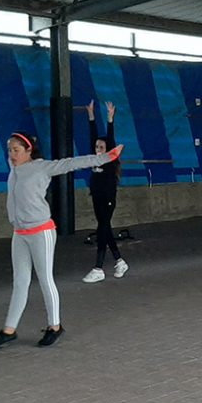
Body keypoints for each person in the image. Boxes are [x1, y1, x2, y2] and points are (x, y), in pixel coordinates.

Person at [0, 133, 122, 349]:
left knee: (45, 279)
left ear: (29, 150)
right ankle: (9, 330)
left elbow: (72, 163)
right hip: (20, 233)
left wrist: (105, 158)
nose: (12, 154)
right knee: (20, 282)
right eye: (10, 150)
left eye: (16, 150)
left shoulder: (42, 167)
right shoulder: (14, 169)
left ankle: (55, 326)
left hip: (41, 232)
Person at [82, 100, 129, 282]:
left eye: (102, 147)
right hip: (96, 197)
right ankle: (119, 260)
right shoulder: (94, 159)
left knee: (102, 229)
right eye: (96, 147)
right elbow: (92, 136)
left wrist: (110, 119)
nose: (98, 149)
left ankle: (98, 267)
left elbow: (110, 138)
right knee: (105, 228)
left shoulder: (110, 159)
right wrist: (91, 116)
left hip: (108, 198)